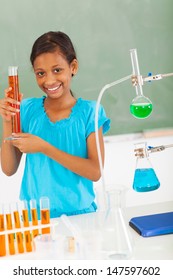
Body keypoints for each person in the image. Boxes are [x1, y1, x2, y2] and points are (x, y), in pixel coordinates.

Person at [0, 31, 110, 218]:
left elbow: (95, 171)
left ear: (73, 67)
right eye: (40, 73)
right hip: (35, 218)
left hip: (81, 218)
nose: (49, 80)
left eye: (57, 70)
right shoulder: (27, 110)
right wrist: (8, 122)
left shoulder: (90, 112)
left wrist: (44, 147)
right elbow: (9, 169)